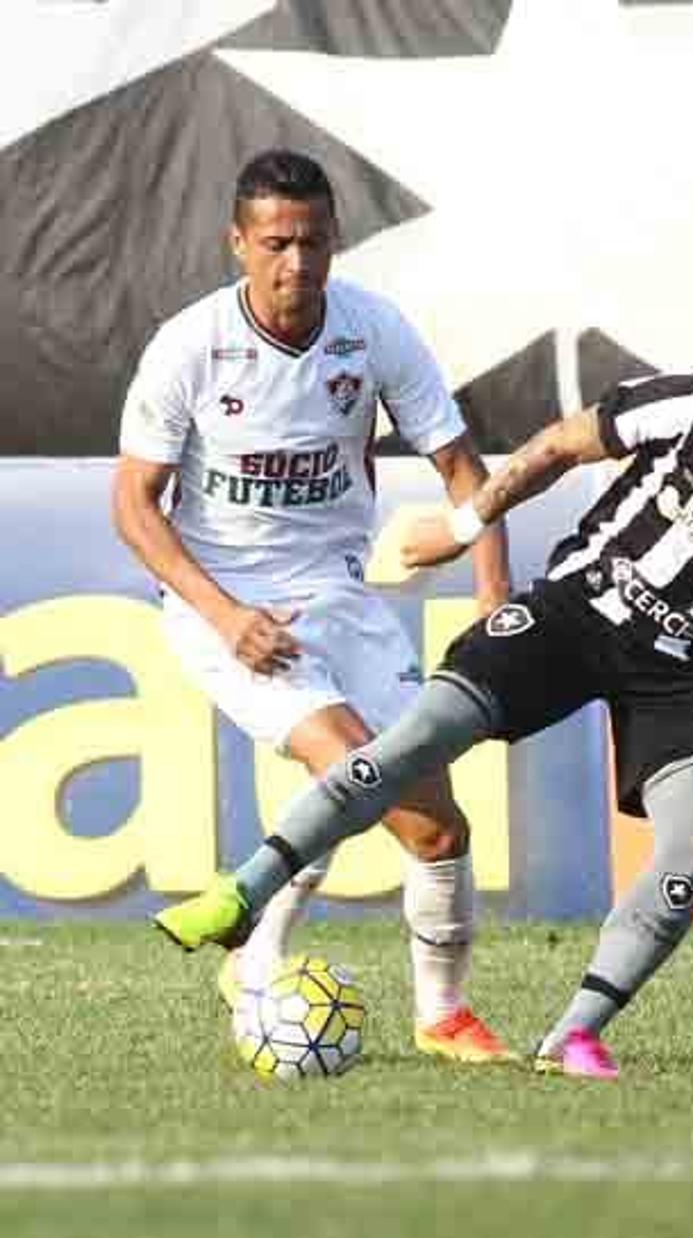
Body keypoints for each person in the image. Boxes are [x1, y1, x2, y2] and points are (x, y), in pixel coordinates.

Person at [153, 307, 693, 1079]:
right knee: (413, 743)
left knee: (692, 845)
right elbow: (559, 445)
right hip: (576, 612)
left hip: (687, 672)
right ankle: (241, 895)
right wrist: (461, 529)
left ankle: (574, 1035)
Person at [119, 149, 515, 1063]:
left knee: (438, 823)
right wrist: (223, 616)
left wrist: (494, 595)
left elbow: (465, 475)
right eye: (277, 243)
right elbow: (132, 504)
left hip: (340, 590)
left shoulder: (373, 331)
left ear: (338, 242)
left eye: (315, 242)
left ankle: (442, 1015)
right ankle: (255, 947)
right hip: (230, 606)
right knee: (351, 767)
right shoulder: (190, 345)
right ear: (239, 245)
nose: (297, 263)